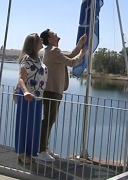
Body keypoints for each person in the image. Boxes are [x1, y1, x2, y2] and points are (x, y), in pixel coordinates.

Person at [38, 29, 87, 161]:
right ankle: (41, 150)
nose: (56, 34)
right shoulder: (53, 51)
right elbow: (71, 62)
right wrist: (82, 55)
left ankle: (44, 147)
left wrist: (79, 44)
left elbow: (70, 55)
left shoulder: (53, 51)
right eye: (53, 34)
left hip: (54, 90)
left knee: (50, 119)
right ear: (49, 39)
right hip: (52, 90)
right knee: (48, 119)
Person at [14, 33, 47, 165]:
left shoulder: (39, 59)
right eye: (39, 40)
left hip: (38, 98)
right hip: (28, 97)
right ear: (33, 44)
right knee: (24, 124)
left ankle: (31, 153)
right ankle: (22, 153)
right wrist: (26, 92)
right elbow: (21, 78)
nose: (42, 41)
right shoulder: (26, 60)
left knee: (34, 126)